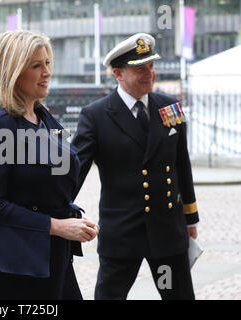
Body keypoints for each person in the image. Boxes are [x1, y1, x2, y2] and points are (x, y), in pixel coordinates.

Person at [0, 30, 99, 300]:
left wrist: (71, 215)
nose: (46, 72)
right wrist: (57, 226)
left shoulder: (43, 117)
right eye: (36, 66)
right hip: (6, 262)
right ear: (11, 71)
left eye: (47, 63)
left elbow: (44, 185)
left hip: (48, 256)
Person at [72, 33, 199, 300]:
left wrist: (190, 218)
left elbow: (181, 166)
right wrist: (54, 213)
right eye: (140, 68)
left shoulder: (169, 108)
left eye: (151, 66)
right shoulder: (96, 116)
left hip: (167, 230)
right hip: (122, 233)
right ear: (118, 74)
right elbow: (75, 172)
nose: (149, 73)